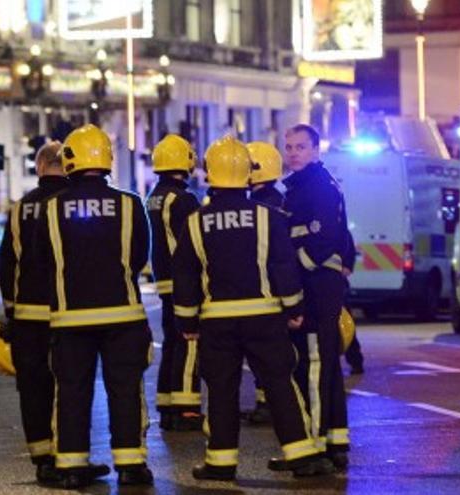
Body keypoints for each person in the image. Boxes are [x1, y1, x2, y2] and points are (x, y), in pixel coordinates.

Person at [173, 136, 334, 481]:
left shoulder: (195, 222)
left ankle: (221, 461)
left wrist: (186, 320)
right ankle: (301, 454)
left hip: (217, 321)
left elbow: (186, 274)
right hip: (264, 317)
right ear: (247, 173)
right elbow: (283, 266)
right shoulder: (268, 217)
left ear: (209, 174)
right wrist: (294, 307)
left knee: (221, 390)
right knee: (279, 383)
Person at [36, 124, 154, 488]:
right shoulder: (130, 203)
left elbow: (43, 260)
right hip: (123, 314)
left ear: (70, 160)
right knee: (125, 389)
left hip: (70, 317)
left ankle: (72, 465)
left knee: (72, 390)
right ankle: (131, 465)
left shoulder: (51, 208)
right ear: (107, 157)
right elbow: (139, 256)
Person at [0, 141, 72, 485]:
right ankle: (70, 455)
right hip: (68, 312)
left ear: (40, 167)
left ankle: (42, 458)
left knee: (33, 387)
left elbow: (7, 264)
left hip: (28, 315)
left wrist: (11, 313)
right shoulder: (75, 203)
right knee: (70, 384)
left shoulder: (19, 209)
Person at [280, 124, 351, 470]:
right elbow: (342, 239)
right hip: (323, 282)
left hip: (315, 285)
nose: (293, 153)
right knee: (326, 364)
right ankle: (335, 440)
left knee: (314, 364)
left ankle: (316, 442)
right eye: (289, 147)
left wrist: (294, 267)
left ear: (316, 150)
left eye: (301, 147)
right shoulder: (307, 185)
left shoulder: (316, 186)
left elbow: (323, 239)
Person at [145, 134, 203, 431]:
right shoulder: (183, 199)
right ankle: (186, 407)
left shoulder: (155, 195)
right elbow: (194, 243)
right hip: (184, 281)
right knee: (189, 340)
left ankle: (167, 403)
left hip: (164, 279)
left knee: (171, 340)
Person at [245, 141, 286, 424]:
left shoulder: (261, 205)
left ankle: (268, 405)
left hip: (265, 286)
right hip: (271, 286)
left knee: (266, 353)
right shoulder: (277, 199)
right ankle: (265, 402)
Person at [340, 231, 365, 375]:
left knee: (345, 325)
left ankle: (356, 361)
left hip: (337, 284)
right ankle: (355, 361)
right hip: (333, 282)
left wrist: (347, 267)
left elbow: (348, 247)